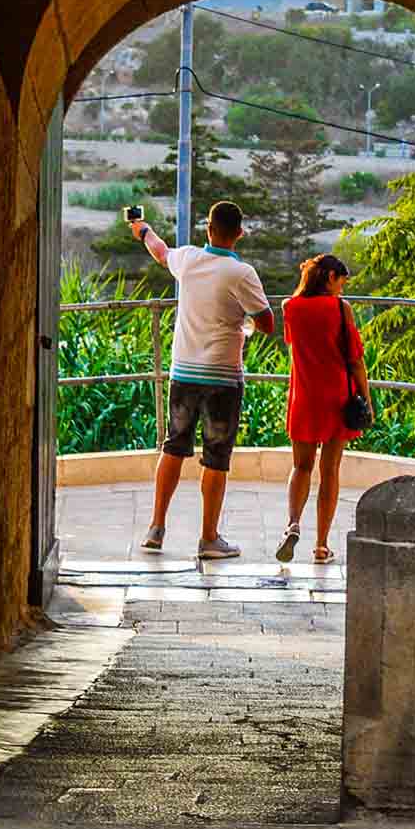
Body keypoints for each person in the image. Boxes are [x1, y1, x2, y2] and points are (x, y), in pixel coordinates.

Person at [128, 200, 273, 560]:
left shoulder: (188, 259)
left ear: (208, 229)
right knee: (216, 457)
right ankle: (209, 538)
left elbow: (160, 252)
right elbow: (267, 322)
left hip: (183, 372)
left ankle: (156, 528)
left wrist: (142, 229)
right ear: (239, 233)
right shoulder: (242, 274)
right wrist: (246, 323)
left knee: (173, 446)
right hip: (223, 377)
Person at [275, 253, 372, 564]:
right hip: (337, 397)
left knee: (301, 466)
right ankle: (320, 546)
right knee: (329, 470)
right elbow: (356, 360)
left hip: (304, 396)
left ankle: (292, 524)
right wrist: (366, 399)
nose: (341, 290)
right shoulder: (340, 309)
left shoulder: (290, 308)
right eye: (341, 283)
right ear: (331, 277)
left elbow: (295, 344)